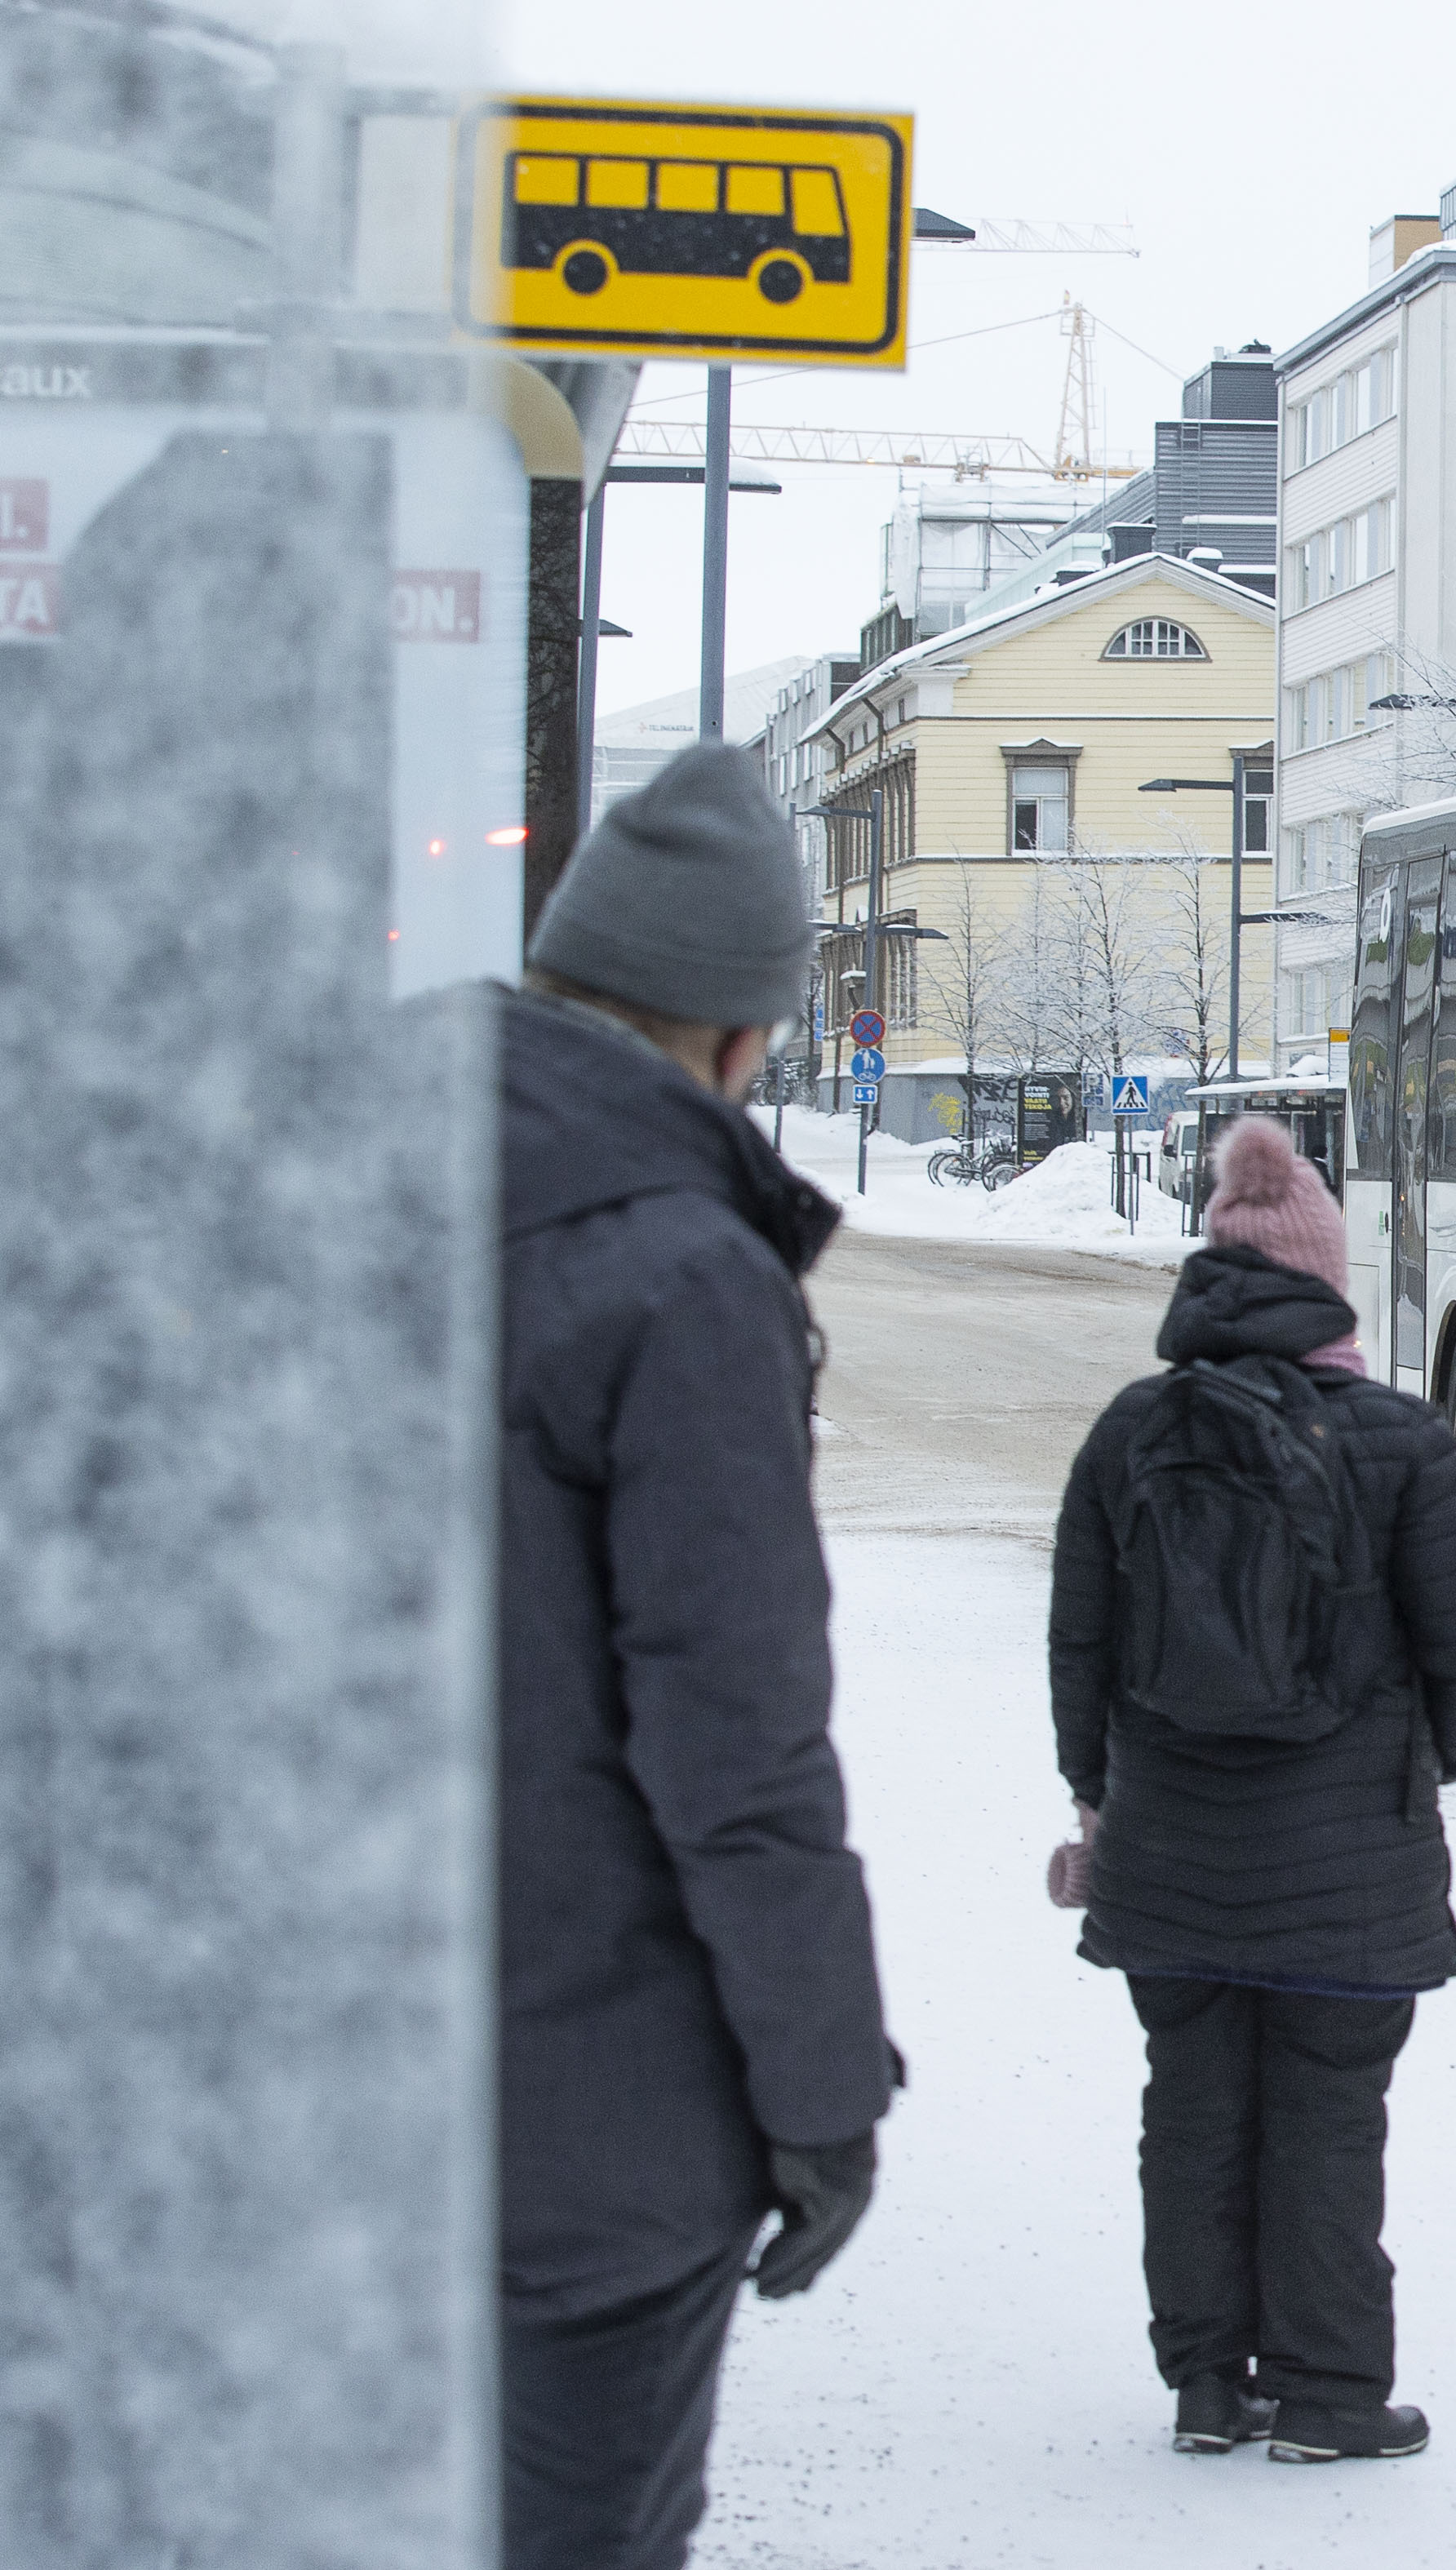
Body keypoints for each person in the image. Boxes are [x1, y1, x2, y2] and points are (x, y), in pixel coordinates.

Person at [498, 743, 895, 2570]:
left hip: (291, 2089)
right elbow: (738, 1759)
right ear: (742, 1041)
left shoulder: (296, 1170)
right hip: (583, 2146)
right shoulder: (679, 1276)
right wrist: (819, 2107)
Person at [1047, 1116, 1456, 2464]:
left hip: (1166, 1855)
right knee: (1326, 2118)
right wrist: (1433, 1767)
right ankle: (1324, 2393)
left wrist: (1100, 1789)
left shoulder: (1131, 1434)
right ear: (1328, 1283)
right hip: (1347, 1862)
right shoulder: (1399, 1442)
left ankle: (1204, 2383)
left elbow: (1079, 1641)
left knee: (1190, 2110)